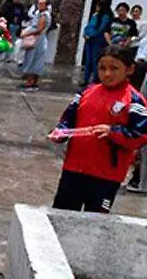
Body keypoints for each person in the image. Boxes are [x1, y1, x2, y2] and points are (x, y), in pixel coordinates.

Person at [49, 45, 147, 213]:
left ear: (129, 69)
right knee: (62, 215)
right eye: (102, 68)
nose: (107, 74)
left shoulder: (134, 101)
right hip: (74, 168)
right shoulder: (86, 93)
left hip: (106, 175)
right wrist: (60, 132)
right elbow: (68, 119)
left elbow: (140, 135)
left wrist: (113, 132)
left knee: (95, 221)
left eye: (114, 68)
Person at [19, 0, 52, 91]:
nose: (39, 5)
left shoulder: (44, 15)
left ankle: (31, 82)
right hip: (38, 40)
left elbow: (39, 29)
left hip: (37, 40)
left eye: (42, 4)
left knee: (33, 60)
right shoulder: (40, 14)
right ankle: (32, 81)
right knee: (35, 60)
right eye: (39, 4)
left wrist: (26, 34)